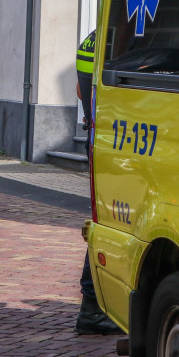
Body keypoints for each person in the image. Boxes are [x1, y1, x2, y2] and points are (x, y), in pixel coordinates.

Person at [75, 30, 123, 335]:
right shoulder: (124, 33)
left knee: (105, 220)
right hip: (117, 143)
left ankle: (93, 306)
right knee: (113, 223)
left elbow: (81, 92)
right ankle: (93, 308)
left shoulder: (93, 38)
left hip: (99, 138)